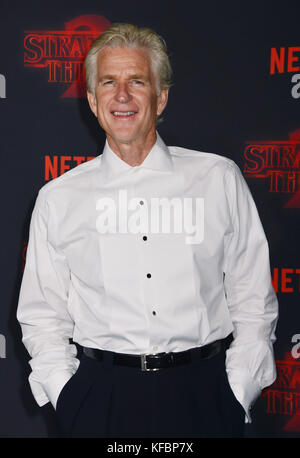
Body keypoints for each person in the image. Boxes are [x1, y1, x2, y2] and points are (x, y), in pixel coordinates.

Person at [17, 23, 278, 438]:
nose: (122, 95)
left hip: (204, 395)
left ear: (161, 98)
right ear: (91, 99)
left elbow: (252, 298)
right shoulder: (58, 197)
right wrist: (66, 395)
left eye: (136, 81)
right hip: (99, 398)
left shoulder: (218, 178)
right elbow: (42, 314)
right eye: (108, 82)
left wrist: (237, 388)